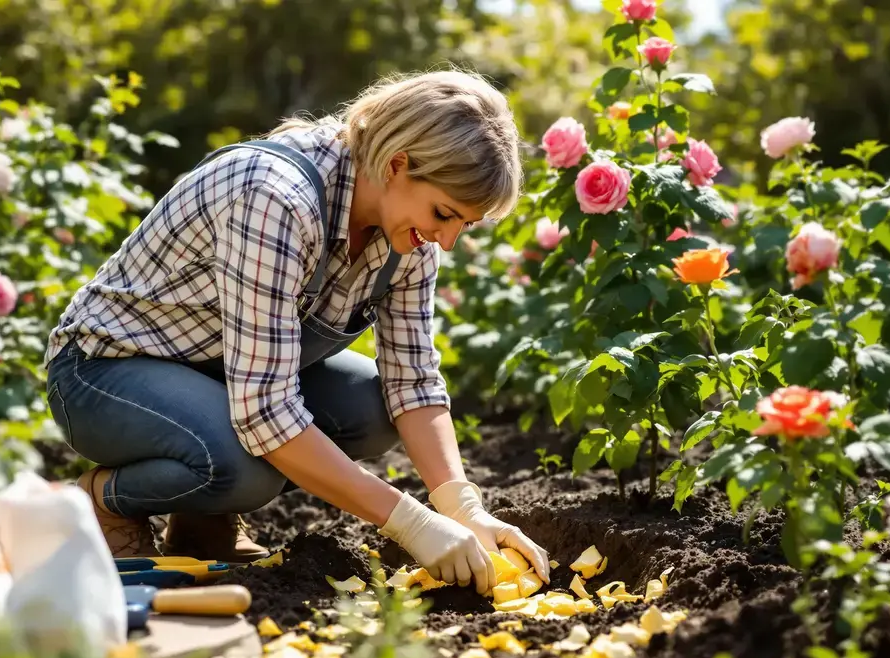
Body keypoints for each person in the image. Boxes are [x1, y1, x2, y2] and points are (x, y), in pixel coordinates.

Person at [41, 69, 550, 594]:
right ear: (398, 163)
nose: (446, 241)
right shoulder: (276, 198)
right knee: (244, 467)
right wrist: (411, 523)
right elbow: (264, 411)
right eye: (444, 214)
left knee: (373, 411)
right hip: (105, 372)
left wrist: (465, 510)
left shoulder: (408, 237)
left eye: (462, 225)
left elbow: (413, 382)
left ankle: (201, 518)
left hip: (218, 373)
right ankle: (103, 499)